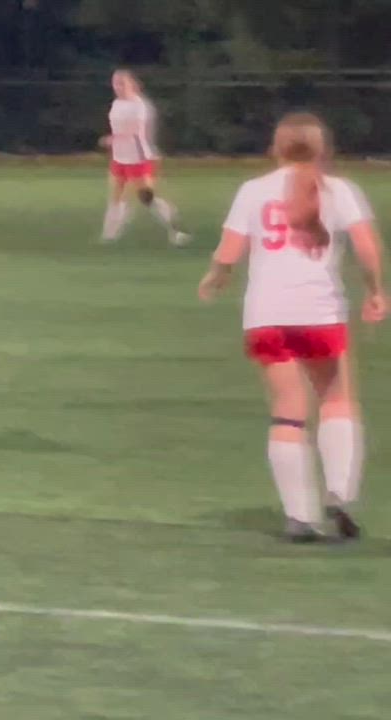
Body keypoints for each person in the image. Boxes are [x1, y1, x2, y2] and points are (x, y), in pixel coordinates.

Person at [199, 112, 385, 542]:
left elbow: (228, 251)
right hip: (320, 312)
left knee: (288, 410)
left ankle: (300, 516)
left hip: (266, 315)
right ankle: (339, 493)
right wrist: (376, 291)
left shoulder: (253, 190)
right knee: (336, 399)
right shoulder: (339, 190)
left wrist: (216, 276)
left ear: (276, 148)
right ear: (323, 149)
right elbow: (366, 247)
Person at [99, 69, 189, 246]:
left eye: (121, 83)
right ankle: (109, 234)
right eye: (115, 83)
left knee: (146, 197)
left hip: (138, 157)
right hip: (119, 157)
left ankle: (176, 228)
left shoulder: (139, 105)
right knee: (116, 195)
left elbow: (136, 130)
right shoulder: (117, 103)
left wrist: (113, 138)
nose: (117, 87)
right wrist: (115, 141)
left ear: (131, 84)